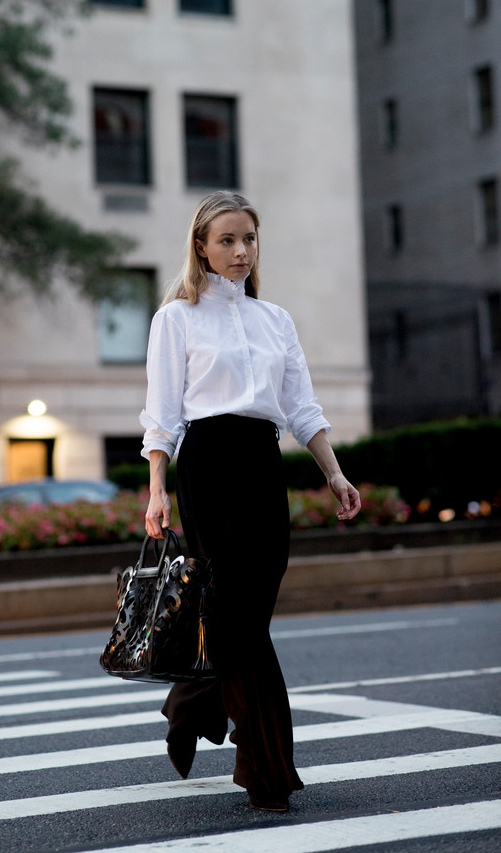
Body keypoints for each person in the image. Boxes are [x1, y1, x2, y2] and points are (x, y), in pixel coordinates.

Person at [140, 190, 361, 813]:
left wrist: (335, 475)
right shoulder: (176, 318)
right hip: (207, 465)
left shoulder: (275, 320)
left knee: (249, 607)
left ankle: (191, 698)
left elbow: (301, 408)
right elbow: (161, 415)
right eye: (228, 240)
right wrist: (157, 492)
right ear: (202, 248)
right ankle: (267, 767)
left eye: (249, 239)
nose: (241, 251)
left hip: (263, 465)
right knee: (236, 613)